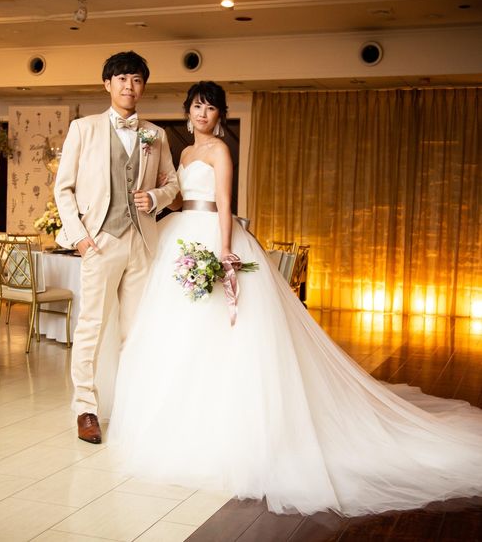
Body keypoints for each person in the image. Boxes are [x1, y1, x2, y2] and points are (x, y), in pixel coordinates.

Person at [108, 81, 482, 516]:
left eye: (210, 107)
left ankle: (233, 435)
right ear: (187, 111)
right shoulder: (186, 153)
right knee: (179, 334)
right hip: (180, 235)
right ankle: (180, 425)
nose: (202, 113)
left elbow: (225, 204)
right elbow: (177, 198)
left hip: (212, 235)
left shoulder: (220, 152)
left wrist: (224, 252)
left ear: (220, 114)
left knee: (227, 333)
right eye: (196, 106)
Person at [54, 51, 179, 444]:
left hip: (141, 241)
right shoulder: (83, 129)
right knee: (91, 326)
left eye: (137, 80)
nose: (130, 86)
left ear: (143, 87)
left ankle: (132, 406)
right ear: (107, 84)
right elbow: (63, 188)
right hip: (100, 241)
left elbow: (173, 183)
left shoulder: (155, 134)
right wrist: (80, 236)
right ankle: (85, 409)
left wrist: (155, 197)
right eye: (123, 79)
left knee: (136, 329)